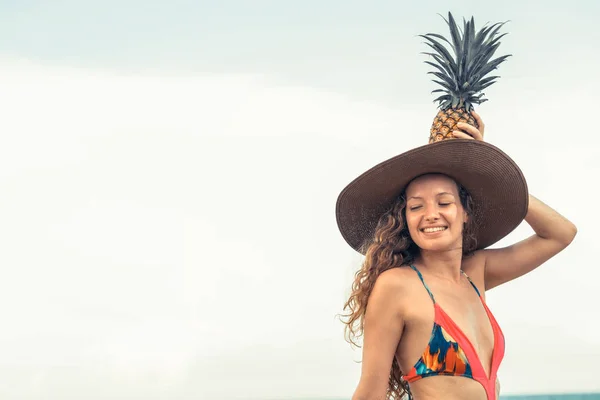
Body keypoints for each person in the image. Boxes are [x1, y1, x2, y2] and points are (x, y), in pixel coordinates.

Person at [335, 111, 577, 400]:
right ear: (405, 220)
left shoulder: (476, 272)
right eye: (415, 207)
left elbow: (561, 233)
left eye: (444, 202)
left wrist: (491, 167)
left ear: (465, 212)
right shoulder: (397, 285)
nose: (430, 215)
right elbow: (370, 393)